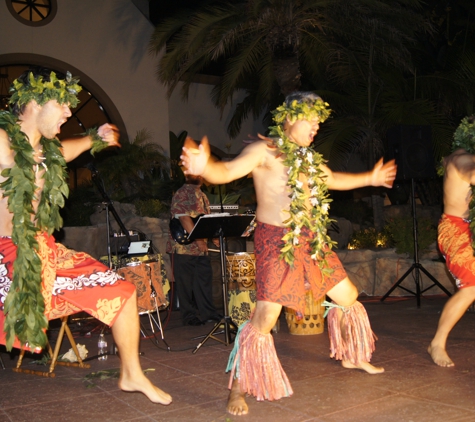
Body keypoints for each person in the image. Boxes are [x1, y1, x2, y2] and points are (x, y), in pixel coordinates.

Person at [181, 91, 397, 416]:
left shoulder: (308, 158)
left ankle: (353, 356)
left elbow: (333, 178)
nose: (316, 128)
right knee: (265, 318)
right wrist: (205, 167)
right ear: (290, 118)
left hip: (312, 240)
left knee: (348, 296)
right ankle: (236, 389)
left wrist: (371, 177)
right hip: (277, 243)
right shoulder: (265, 150)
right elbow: (226, 172)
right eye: (310, 120)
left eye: (318, 122)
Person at [0, 67, 171, 406]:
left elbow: (65, 151)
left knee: (121, 291)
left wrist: (96, 138)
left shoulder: (45, 153)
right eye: (61, 103)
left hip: (44, 252)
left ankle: (131, 375)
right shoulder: (2, 141)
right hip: (6, 256)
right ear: (33, 102)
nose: (69, 111)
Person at [428, 115, 475, 368]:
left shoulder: (456, 155)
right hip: (456, 231)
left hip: (468, 227)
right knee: (471, 287)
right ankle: (437, 342)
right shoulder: (463, 159)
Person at [166, 174, 221, 325]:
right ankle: (189, 316)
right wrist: (198, 240)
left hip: (200, 247)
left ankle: (208, 313)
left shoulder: (202, 195)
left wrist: (213, 237)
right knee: (185, 283)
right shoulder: (181, 193)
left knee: (204, 280)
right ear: (187, 176)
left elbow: (204, 220)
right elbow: (184, 218)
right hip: (183, 247)